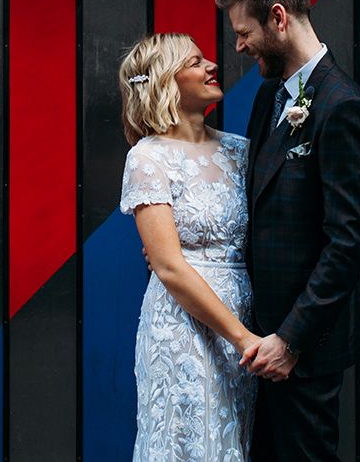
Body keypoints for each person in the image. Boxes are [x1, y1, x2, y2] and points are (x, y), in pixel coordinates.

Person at [215, 0, 360, 461]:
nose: (239, 46)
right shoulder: (269, 96)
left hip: (303, 347)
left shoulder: (343, 107)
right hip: (258, 344)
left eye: (244, 32)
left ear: (279, 18)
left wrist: (289, 339)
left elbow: (347, 243)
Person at [118, 33, 258, 461]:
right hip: (181, 324)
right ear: (166, 82)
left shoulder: (240, 151)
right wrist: (244, 339)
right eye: (196, 62)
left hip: (244, 315)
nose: (213, 65)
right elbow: (169, 267)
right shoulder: (148, 157)